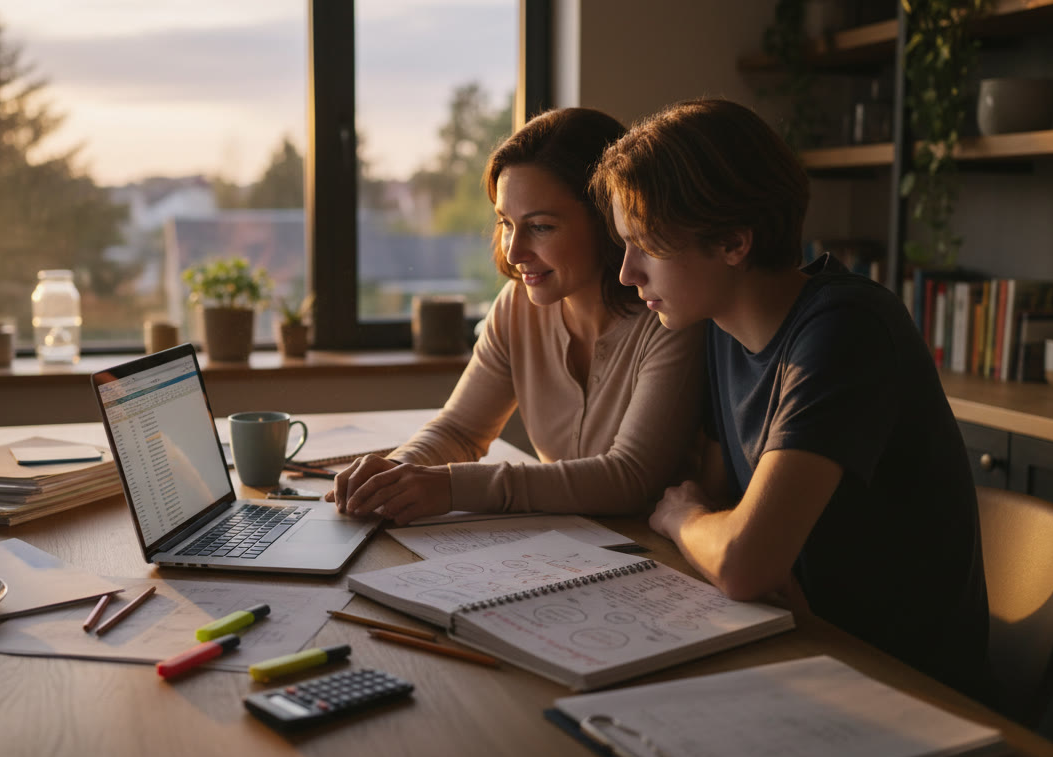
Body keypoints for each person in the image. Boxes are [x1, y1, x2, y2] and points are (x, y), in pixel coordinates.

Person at [592, 98, 990, 700]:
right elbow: (725, 506)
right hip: (794, 640)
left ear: (733, 242)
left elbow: (741, 559)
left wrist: (683, 520)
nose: (627, 273)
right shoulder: (722, 328)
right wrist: (725, 539)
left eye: (646, 244)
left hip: (895, 683)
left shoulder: (845, 329)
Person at [328, 107, 704, 525]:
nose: (513, 251)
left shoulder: (670, 314)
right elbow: (460, 431)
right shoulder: (517, 305)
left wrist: (451, 487)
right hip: (567, 547)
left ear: (609, 222)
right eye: (506, 223)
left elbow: (629, 478)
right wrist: (394, 474)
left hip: (657, 557)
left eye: (540, 226)